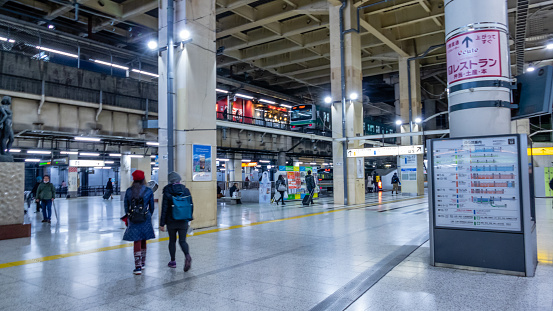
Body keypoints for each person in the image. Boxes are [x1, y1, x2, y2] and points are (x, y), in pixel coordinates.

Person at [122, 170, 155, 275]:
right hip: (145, 217)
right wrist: (148, 214)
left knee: (137, 240)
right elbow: (152, 207)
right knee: (144, 239)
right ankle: (143, 263)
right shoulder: (149, 191)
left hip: (133, 217)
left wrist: (130, 215)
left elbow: (126, 206)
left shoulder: (128, 191)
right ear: (143, 179)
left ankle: (137, 267)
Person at [160, 172, 193, 272]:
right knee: (182, 241)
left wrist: (162, 223)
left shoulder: (167, 190)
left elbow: (164, 208)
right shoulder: (186, 190)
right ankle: (187, 256)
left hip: (171, 220)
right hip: (183, 220)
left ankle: (173, 262)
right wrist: (189, 218)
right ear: (179, 180)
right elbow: (191, 205)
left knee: (172, 241)